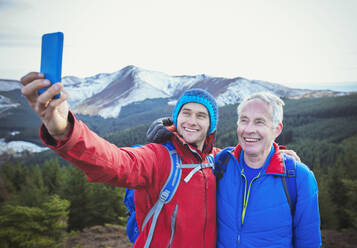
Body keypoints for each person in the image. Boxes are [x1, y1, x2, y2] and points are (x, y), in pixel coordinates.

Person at [20, 72, 220, 247]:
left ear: (211, 125)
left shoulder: (219, 161)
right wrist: (65, 131)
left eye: (201, 116)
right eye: (186, 113)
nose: (192, 121)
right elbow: (115, 162)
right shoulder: (159, 158)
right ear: (176, 118)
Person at [215, 92, 321, 247]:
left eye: (259, 122)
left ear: (276, 130)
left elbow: (309, 242)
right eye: (244, 120)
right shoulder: (222, 162)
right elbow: (192, 154)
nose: (249, 129)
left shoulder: (299, 178)